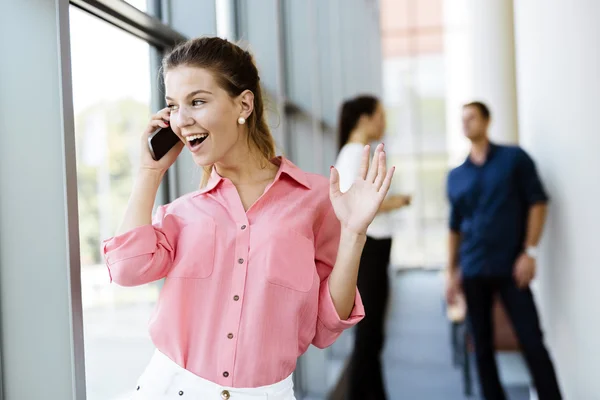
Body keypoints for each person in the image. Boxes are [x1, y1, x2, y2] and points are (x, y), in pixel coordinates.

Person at [101, 37, 396, 400]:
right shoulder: (182, 212)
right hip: (167, 388)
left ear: (243, 103)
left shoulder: (315, 200)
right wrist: (149, 171)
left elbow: (326, 325)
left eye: (197, 101)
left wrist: (353, 234)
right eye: (173, 106)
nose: (182, 119)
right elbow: (127, 269)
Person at [445, 101, 562, 400]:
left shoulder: (514, 159)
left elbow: (538, 202)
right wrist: (450, 271)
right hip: (473, 268)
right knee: (482, 347)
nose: (466, 124)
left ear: (487, 120)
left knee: (532, 341)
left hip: (512, 267)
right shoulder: (456, 175)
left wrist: (530, 252)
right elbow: (454, 228)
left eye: (472, 118)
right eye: (463, 119)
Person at [333, 95, 410, 400]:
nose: (384, 122)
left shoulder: (351, 153)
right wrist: (396, 201)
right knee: (369, 337)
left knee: (372, 336)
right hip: (370, 252)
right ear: (365, 118)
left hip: (373, 250)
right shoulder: (355, 154)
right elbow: (361, 205)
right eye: (380, 115)